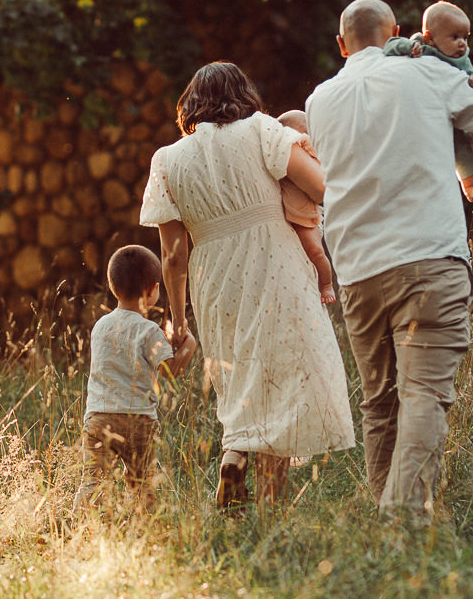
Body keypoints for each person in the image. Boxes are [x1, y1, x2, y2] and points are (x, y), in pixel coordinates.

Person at [305, 0, 473, 523]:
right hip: (430, 256)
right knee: (425, 393)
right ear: (398, 32)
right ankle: (403, 514)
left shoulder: (320, 100)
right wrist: (450, 139)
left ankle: (390, 526)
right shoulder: (425, 74)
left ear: (341, 44)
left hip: (357, 269)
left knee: (380, 404)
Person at [140, 62, 355, 510]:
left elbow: (173, 255)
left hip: (213, 278)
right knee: (279, 378)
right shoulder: (260, 130)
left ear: (190, 105)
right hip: (274, 260)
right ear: (244, 95)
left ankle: (235, 451)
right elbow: (319, 187)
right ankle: (271, 514)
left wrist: (178, 322)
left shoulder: (167, 160)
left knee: (240, 381)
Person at [72, 244, 198, 513]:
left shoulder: (100, 327)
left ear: (112, 286)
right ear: (153, 290)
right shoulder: (149, 330)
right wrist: (189, 344)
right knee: (141, 485)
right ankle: (141, 527)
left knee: (92, 482)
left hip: (99, 417)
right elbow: (170, 372)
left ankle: (81, 525)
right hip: (138, 420)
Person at [382, 1, 473, 201]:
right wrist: (409, 47)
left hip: (446, 112)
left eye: (465, 38)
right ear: (429, 38)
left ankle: (470, 187)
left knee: (461, 146)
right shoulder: (419, 43)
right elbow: (389, 45)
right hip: (418, 106)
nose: (462, 44)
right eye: (455, 37)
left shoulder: (461, 59)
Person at [276, 109, 337, 304]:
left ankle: (327, 284)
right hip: (288, 215)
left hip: (305, 216)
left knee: (315, 251)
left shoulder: (305, 146)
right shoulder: (281, 149)